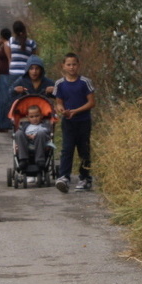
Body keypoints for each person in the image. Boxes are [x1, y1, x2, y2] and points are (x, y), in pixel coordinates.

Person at [53, 53, 96, 194]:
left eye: (74, 64)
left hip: (83, 121)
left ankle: (85, 178)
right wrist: (62, 110)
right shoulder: (60, 84)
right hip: (68, 122)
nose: (72, 67)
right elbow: (59, 102)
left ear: (79, 65)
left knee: (83, 149)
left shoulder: (85, 82)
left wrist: (76, 111)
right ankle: (64, 177)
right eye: (69, 64)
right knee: (67, 149)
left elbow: (91, 102)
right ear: (63, 66)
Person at [13, 105, 53, 182]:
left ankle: (40, 160)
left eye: (37, 116)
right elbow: (21, 135)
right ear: (28, 117)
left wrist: (36, 135)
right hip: (27, 146)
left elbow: (48, 134)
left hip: (41, 145)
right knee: (18, 133)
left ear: (41, 116)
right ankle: (23, 159)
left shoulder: (45, 125)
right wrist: (27, 136)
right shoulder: (25, 126)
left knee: (41, 133)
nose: (34, 118)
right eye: (31, 117)